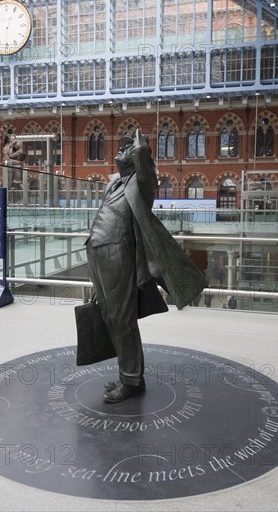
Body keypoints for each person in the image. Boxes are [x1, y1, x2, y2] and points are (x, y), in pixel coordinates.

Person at [83, 129, 207, 403]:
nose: (119, 151)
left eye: (125, 148)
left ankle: (130, 380)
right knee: (110, 318)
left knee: (122, 320)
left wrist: (139, 142)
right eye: (120, 147)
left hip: (119, 253)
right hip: (100, 253)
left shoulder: (141, 182)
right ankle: (131, 375)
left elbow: (143, 158)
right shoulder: (115, 183)